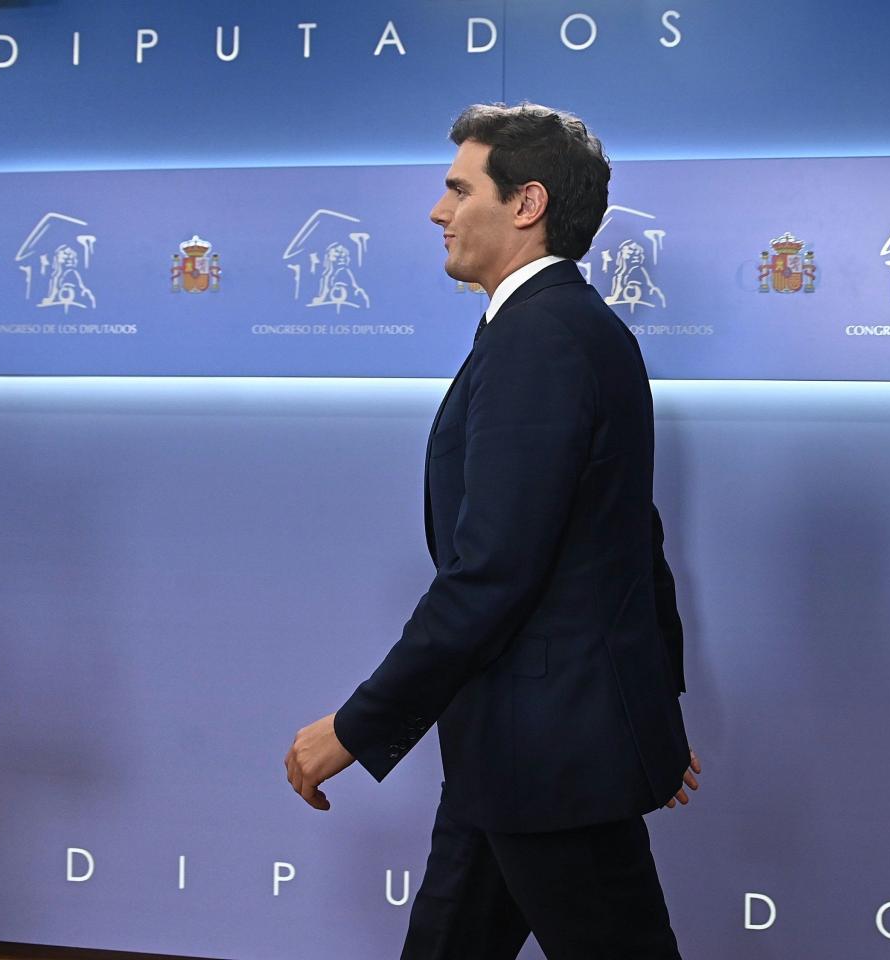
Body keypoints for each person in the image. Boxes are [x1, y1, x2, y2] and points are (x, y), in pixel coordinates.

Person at [283, 102, 699, 959]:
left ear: (526, 203)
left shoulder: (541, 340)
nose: (438, 211)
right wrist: (650, 702)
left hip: (550, 755)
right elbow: (630, 532)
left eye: (457, 188)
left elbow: (491, 573)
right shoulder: (559, 329)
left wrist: (358, 727)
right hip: (518, 746)